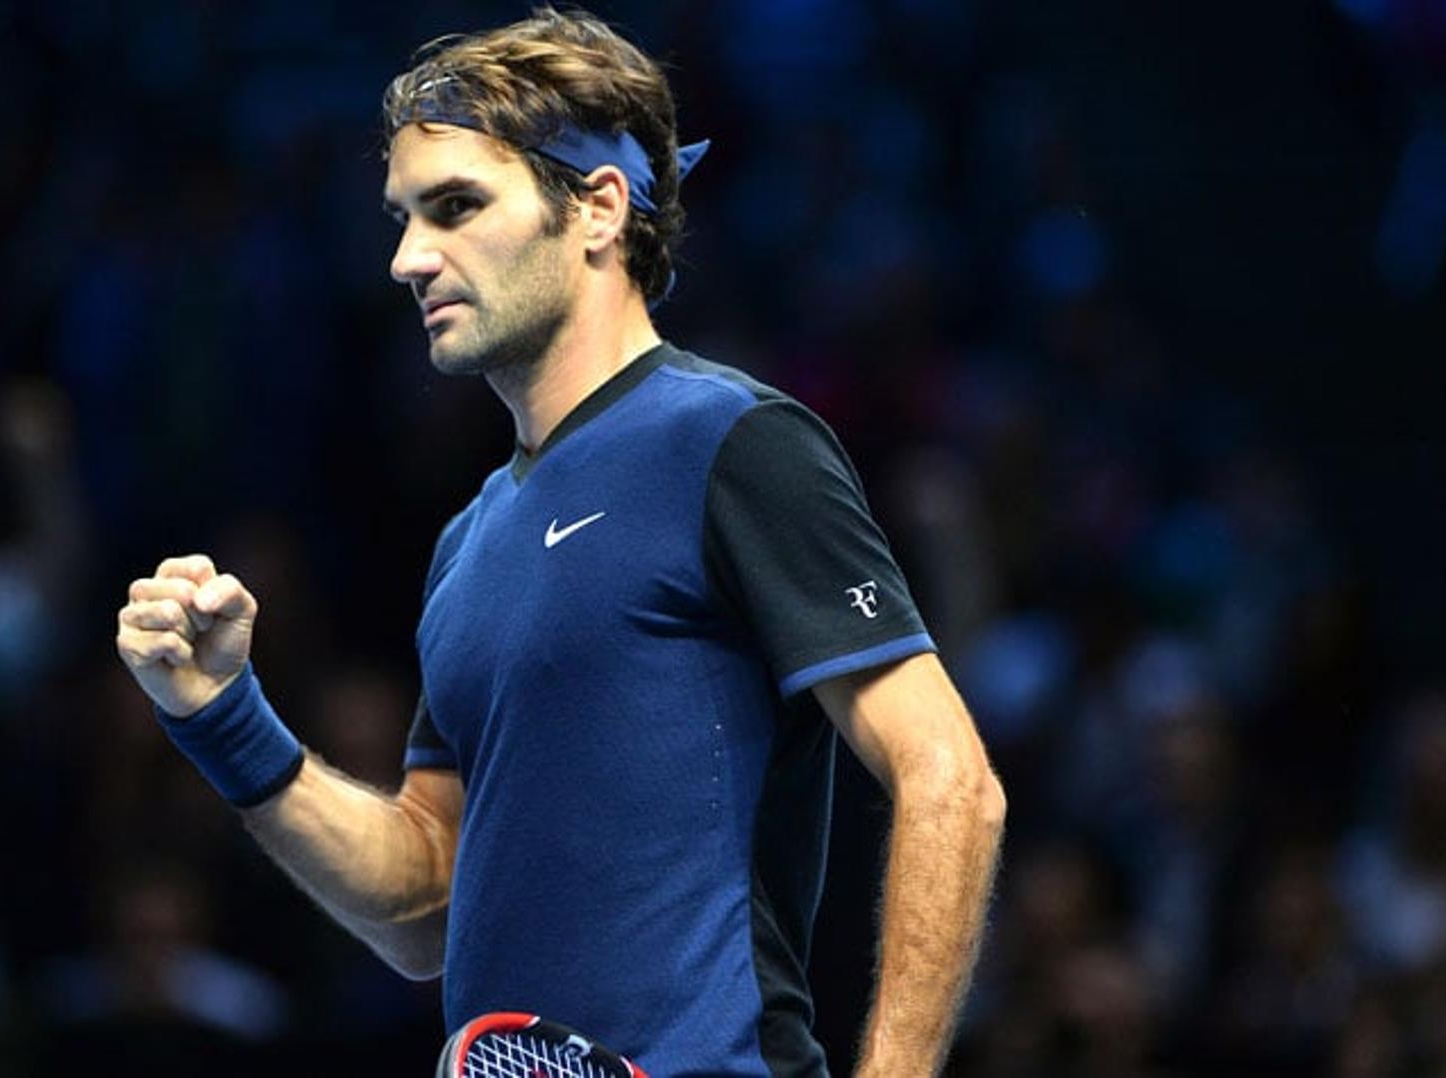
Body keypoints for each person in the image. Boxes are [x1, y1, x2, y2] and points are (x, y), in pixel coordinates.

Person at [114, 8, 1005, 1074]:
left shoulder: (732, 442)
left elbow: (949, 777)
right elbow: (423, 906)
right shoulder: (466, 541)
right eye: (402, 217)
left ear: (596, 208)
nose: (406, 257)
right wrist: (225, 720)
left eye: (455, 208)